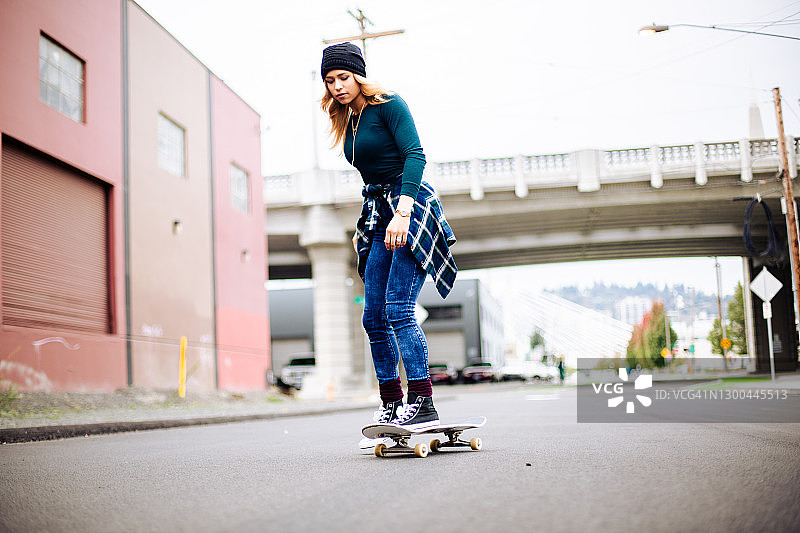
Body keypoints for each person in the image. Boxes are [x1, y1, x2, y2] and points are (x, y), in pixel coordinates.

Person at [320, 42, 457, 430]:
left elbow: (415, 155)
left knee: (398, 308)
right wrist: (368, 222)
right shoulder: (349, 117)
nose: (337, 86)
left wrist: (403, 212)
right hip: (379, 214)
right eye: (330, 81)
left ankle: (423, 400)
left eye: (343, 77)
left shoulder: (389, 104)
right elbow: (370, 177)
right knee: (373, 317)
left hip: (409, 206)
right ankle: (392, 402)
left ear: (359, 75)